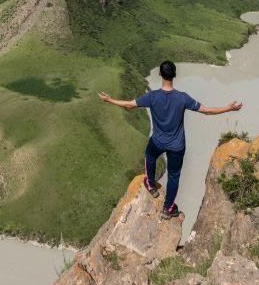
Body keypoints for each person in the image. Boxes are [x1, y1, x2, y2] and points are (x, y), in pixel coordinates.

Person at [99, 61, 243, 220]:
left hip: (158, 142)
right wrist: (228, 108)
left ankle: (151, 186)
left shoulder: (152, 96)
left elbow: (129, 105)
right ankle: (167, 209)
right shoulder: (182, 98)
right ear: (174, 75)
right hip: (177, 146)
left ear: (160, 74)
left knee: (150, 156)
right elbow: (207, 111)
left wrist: (109, 99)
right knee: (174, 176)